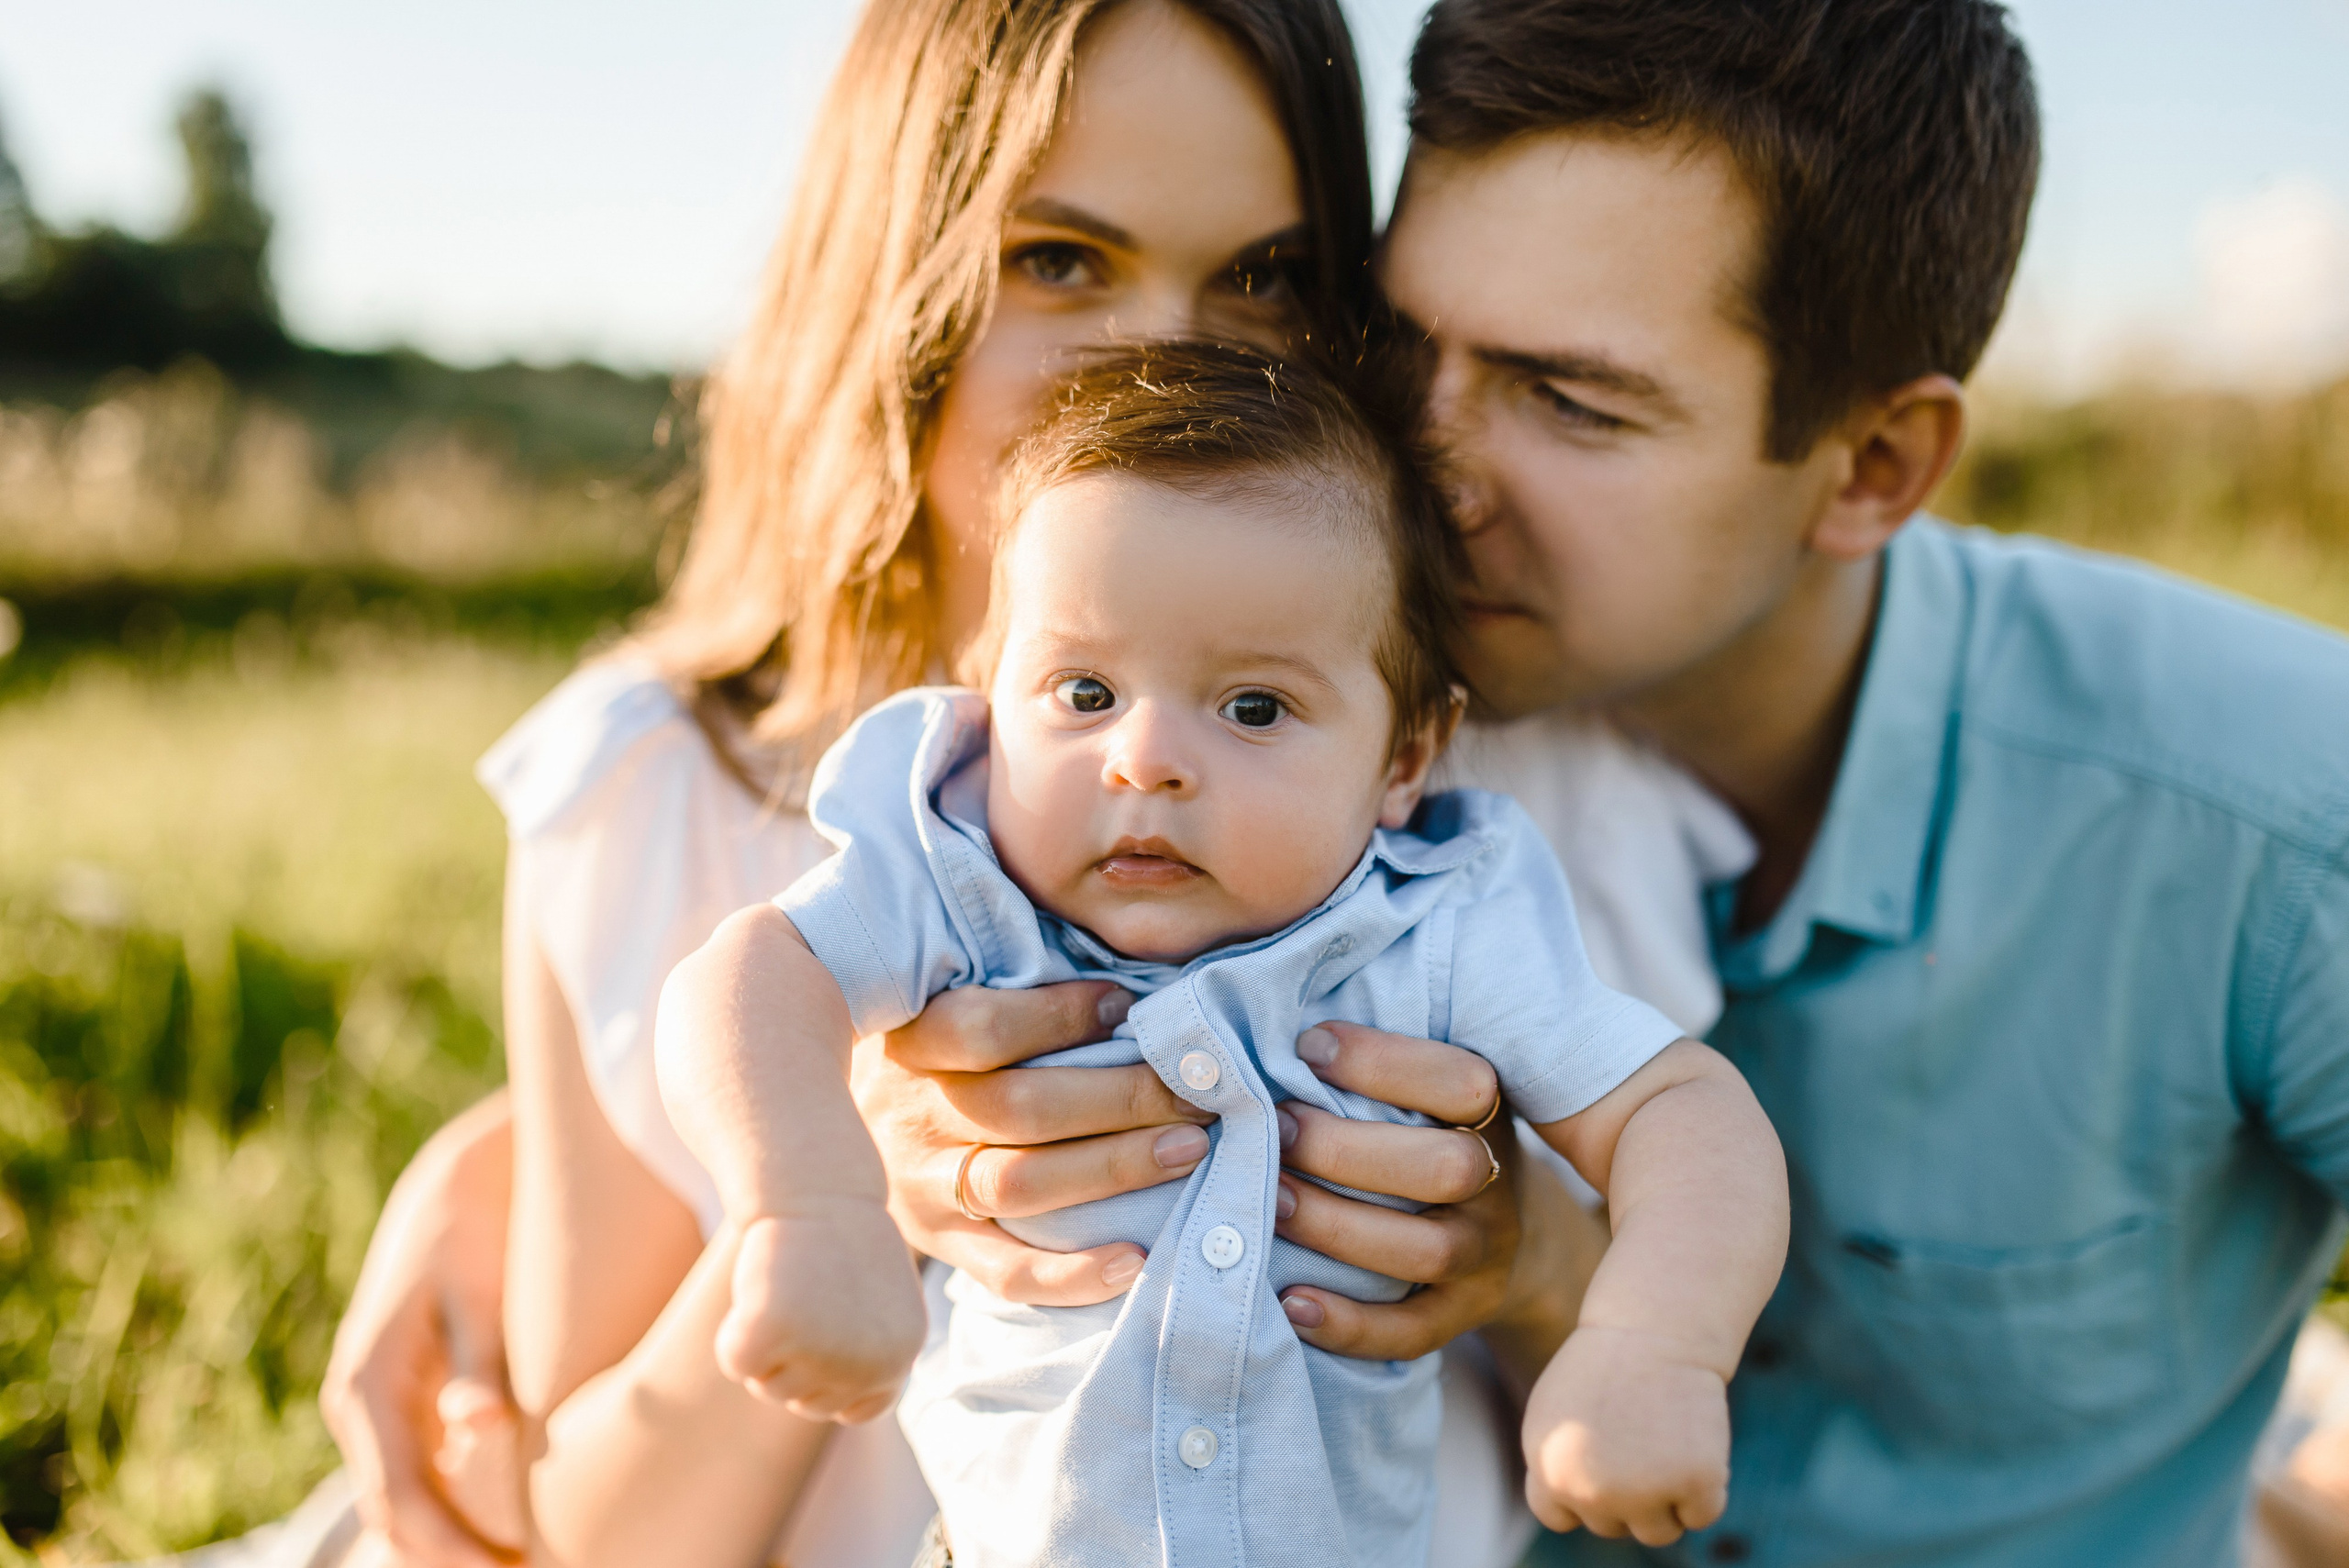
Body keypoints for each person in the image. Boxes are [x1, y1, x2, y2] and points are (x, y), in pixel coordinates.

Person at [315, 3, 1755, 1566]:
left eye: (1262, 275)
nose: (1163, 351)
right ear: (897, 270)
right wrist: (843, 1189)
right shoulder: (659, 789)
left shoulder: (1488, 786)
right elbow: (596, 1538)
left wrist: (1540, 1265)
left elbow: (1689, 1381)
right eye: (1061, 256)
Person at [1368, 0, 2349, 1562]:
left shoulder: (2278, 820)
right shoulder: (1311, 727)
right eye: (1398, 345)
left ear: (1876, 465)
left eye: (1570, 400)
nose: (1424, 472)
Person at [657, 341, 1788, 1564]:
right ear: (989, 693)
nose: (1144, 758)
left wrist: (1651, 1343)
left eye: (1253, 707)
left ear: (1405, 755)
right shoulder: (957, 881)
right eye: (1083, 692)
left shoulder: (1438, 927)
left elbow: (1683, 1108)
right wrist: (813, 1202)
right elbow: (749, 975)